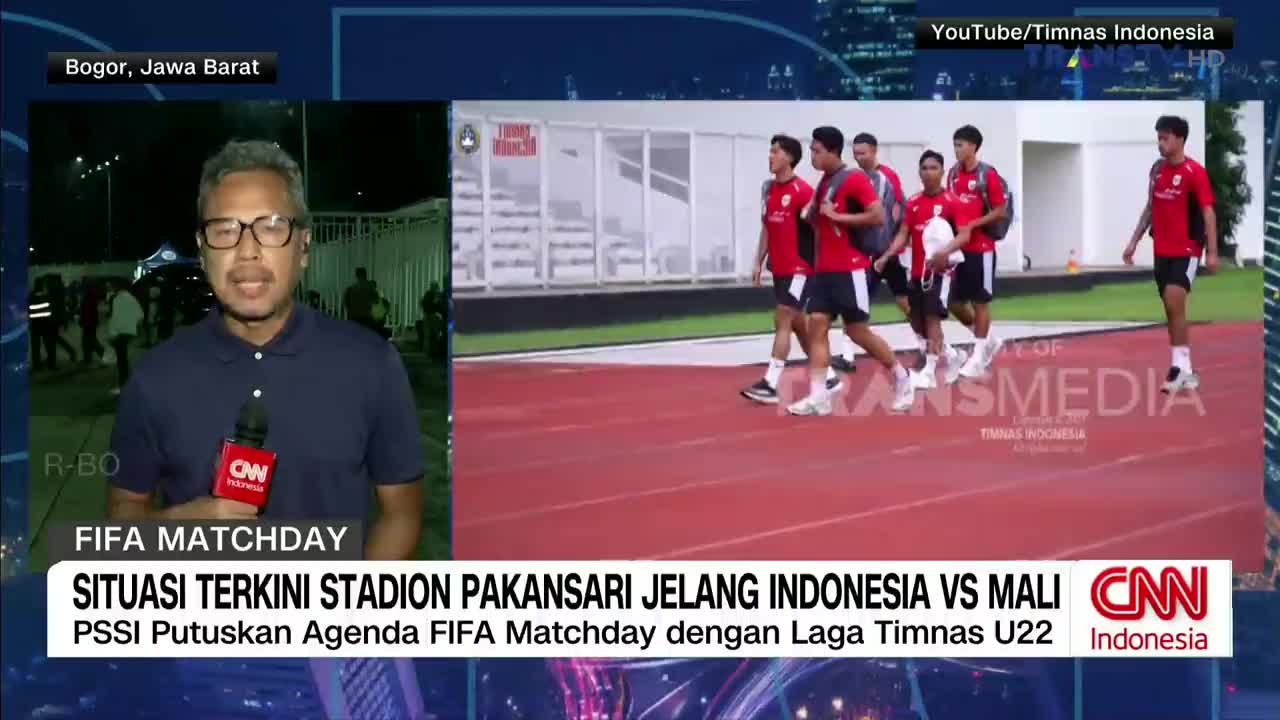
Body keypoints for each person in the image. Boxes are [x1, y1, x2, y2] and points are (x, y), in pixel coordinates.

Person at [105, 140, 425, 560]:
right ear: (202, 253)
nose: (248, 250)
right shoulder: (154, 378)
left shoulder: (372, 364)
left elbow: (402, 513)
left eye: (272, 226)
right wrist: (178, 528)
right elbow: (121, 517)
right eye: (224, 230)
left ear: (303, 247)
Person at [787, 126, 913, 416]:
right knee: (816, 326)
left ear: (832, 151)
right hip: (824, 270)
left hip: (850, 268)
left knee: (856, 331)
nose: (812, 156)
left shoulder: (853, 179)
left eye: (816, 151)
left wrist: (837, 216)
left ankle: (902, 378)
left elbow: (877, 215)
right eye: (811, 151)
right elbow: (818, 220)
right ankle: (819, 395)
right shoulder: (824, 182)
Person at [741, 134, 841, 404]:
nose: (770, 156)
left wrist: (823, 267)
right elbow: (767, 227)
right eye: (770, 151)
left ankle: (771, 383)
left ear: (789, 158)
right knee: (798, 325)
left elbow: (820, 231)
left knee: (783, 316)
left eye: (775, 151)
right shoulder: (768, 189)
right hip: (780, 269)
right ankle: (829, 375)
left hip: (801, 268)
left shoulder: (804, 192)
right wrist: (758, 261)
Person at [1123, 115, 1217, 393]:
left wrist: (1212, 252)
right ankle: (1185, 369)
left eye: (1165, 138)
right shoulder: (1156, 171)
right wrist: (1133, 242)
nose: (1160, 143)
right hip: (1161, 250)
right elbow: (1149, 209)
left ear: (1179, 139)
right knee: (1170, 307)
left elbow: (1208, 212)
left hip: (1187, 248)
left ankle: (1178, 368)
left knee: (1174, 299)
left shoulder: (1194, 172)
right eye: (1159, 137)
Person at [876, 150, 970, 389]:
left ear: (941, 171)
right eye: (924, 168)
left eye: (933, 168)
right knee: (916, 321)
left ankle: (928, 373)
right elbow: (903, 234)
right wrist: (886, 255)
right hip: (916, 272)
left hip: (941, 273)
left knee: (931, 320)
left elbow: (965, 234)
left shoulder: (952, 203)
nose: (928, 172)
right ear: (919, 172)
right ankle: (952, 356)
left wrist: (944, 253)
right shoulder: (913, 203)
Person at [933, 124, 1007, 380]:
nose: (956, 149)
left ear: (973, 146)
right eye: (954, 144)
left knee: (980, 302)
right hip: (960, 249)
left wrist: (973, 224)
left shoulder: (988, 175)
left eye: (960, 144)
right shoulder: (953, 174)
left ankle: (977, 356)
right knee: (954, 303)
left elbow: (1000, 210)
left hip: (982, 248)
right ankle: (987, 340)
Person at [844, 132, 914, 368]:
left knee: (903, 300)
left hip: (886, 252)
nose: (859, 157)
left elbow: (895, 211)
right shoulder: (856, 177)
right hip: (868, 254)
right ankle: (847, 356)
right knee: (856, 304)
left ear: (874, 151)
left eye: (863, 153)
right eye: (855, 153)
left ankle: (928, 345)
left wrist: (890, 249)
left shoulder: (886, 178)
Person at [105, 279, 143, 393]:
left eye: (112, 285)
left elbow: (116, 319)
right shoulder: (130, 298)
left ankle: (124, 386)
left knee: (122, 361)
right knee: (123, 360)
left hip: (120, 333)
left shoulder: (118, 299)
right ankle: (126, 384)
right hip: (128, 332)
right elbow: (140, 315)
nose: (111, 287)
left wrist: (113, 335)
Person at [344, 267, 376, 332]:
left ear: (356, 275)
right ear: (365, 275)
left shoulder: (351, 288)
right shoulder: (370, 287)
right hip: (366, 317)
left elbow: (346, 303)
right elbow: (376, 301)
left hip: (353, 316)